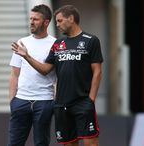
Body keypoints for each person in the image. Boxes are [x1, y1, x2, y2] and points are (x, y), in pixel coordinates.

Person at [12, 5, 103, 146]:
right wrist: (27, 56)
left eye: (60, 21)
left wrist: (91, 99)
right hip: (61, 104)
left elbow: (97, 71)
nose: (57, 25)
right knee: (68, 143)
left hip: (82, 101)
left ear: (71, 19)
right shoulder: (58, 43)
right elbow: (45, 69)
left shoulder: (91, 40)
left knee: (91, 143)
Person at [8, 4, 56, 146]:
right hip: (21, 100)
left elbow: (54, 74)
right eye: (30, 18)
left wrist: (55, 102)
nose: (31, 22)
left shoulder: (56, 44)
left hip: (44, 101)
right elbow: (14, 74)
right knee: (14, 143)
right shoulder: (22, 42)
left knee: (41, 143)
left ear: (46, 22)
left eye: (35, 19)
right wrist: (13, 101)